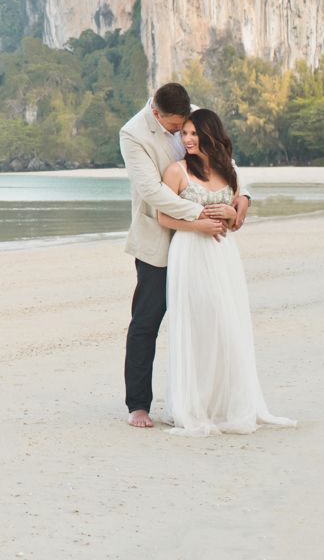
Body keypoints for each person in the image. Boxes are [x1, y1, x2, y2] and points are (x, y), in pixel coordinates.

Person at [155, 109, 296, 436]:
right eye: (184, 133)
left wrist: (233, 212)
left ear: (209, 134)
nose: (187, 140)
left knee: (226, 324)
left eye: (193, 133)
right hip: (189, 251)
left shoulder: (228, 170)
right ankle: (193, 405)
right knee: (197, 325)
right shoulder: (176, 172)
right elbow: (163, 218)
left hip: (222, 255)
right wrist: (198, 224)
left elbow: (235, 222)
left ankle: (224, 405)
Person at [118, 83, 247, 428]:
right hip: (160, 238)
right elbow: (152, 192)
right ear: (157, 114)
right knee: (147, 321)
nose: (182, 133)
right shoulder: (133, 134)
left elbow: (223, 158)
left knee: (210, 319)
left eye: (186, 125)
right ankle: (138, 405)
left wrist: (243, 196)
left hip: (205, 248)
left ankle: (210, 398)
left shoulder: (189, 116)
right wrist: (200, 216)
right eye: (176, 127)